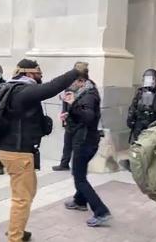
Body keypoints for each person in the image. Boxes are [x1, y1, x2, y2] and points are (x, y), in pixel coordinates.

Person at [0, 59, 86, 242]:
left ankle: (17, 229)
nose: (40, 76)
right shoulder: (23, 91)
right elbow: (52, 87)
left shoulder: (11, 88)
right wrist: (74, 72)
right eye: (38, 73)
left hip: (13, 151)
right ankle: (15, 237)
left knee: (27, 193)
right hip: (18, 153)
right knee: (22, 199)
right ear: (29, 73)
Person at [62, 63, 112, 227]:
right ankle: (80, 201)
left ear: (81, 81)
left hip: (85, 142)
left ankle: (101, 211)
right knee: (79, 172)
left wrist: (72, 105)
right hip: (85, 139)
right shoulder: (85, 93)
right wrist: (68, 114)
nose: (72, 85)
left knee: (79, 178)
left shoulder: (89, 96)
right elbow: (80, 117)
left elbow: (88, 117)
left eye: (74, 81)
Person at [127, 68, 156, 143]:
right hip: (140, 120)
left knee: (152, 142)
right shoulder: (140, 92)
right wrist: (130, 119)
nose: (150, 82)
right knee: (138, 141)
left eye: (152, 79)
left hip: (154, 121)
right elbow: (133, 106)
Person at [51, 96, 73, 171]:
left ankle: (78, 165)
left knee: (77, 145)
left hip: (76, 121)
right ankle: (64, 164)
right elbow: (65, 105)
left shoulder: (81, 92)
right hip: (69, 121)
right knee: (67, 144)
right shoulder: (69, 89)